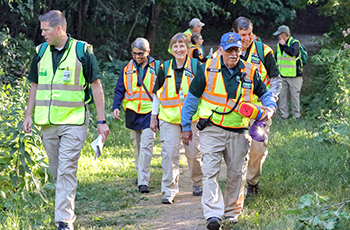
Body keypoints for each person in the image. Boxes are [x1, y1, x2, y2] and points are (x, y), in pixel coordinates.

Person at [22, 10, 110, 230]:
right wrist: (28, 115)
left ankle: (64, 221)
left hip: (75, 121)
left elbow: (96, 86)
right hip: (47, 123)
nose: (42, 34)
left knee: (66, 170)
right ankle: (65, 211)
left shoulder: (82, 51)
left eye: (45, 29)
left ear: (58, 29)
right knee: (56, 171)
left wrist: (101, 121)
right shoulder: (40, 52)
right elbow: (34, 85)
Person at [181, 32, 276, 229]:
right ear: (221, 50)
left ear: (241, 51)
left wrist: (269, 108)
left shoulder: (250, 71)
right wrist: (185, 126)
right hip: (211, 129)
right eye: (230, 50)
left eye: (237, 50)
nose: (233, 54)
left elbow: (265, 94)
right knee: (210, 171)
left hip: (239, 131)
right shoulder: (207, 68)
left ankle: (232, 213)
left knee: (236, 174)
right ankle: (213, 215)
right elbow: (191, 98)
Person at [150, 33, 203, 204]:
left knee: (194, 153)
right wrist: (153, 116)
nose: (179, 49)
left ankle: (197, 182)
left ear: (188, 48)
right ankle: (169, 189)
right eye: (175, 46)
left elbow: (206, 92)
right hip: (168, 118)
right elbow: (156, 93)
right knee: (169, 153)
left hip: (193, 119)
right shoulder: (164, 68)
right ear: (171, 49)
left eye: (182, 46)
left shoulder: (197, 66)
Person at [232, 16, 282, 197]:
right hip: (234, 110)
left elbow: (276, 80)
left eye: (250, 34)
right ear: (234, 34)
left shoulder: (264, 51)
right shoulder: (227, 52)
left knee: (258, 149)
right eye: (243, 34)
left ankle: (252, 181)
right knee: (235, 150)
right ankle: (239, 185)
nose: (247, 38)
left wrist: (271, 103)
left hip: (259, 111)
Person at [112, 38, 159, 194]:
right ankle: (140, 174)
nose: (137, 56)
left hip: (150, 113)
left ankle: (143, 181)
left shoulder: (157, 67)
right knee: (137, 146)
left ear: (148, 52)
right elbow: (120, 88)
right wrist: (116, 107)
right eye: (134, 53)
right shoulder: (127, 68)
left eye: (141, 54)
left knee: (146, 146)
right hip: (132, 112)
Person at [273, 25, 303, 119]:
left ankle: (296, 115)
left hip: (295, 76)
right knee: (282, 96)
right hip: (282, 75)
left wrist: (284, 45)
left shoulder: (295, 43)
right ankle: (284, 115)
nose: (278, 37)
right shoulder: (279, 45)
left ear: (284, 34)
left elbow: (293, 53)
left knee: (295, 96)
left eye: (279, 34)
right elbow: (276, 59)